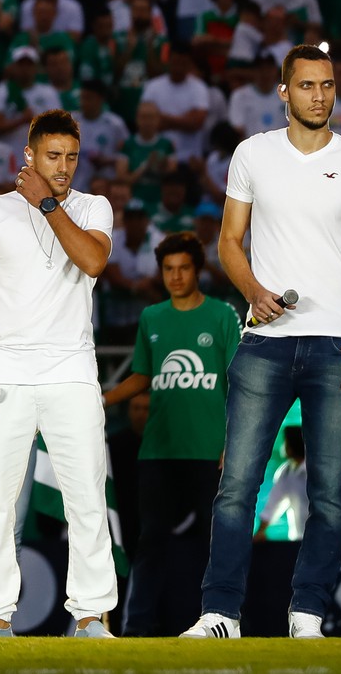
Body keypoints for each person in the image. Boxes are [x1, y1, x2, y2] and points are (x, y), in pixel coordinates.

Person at [182, 45, 341, 640]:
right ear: (283, 91)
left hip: (336, 345)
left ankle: (308, 615)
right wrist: (252, 289)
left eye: (327, 85)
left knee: (329, 494)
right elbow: (227, 241)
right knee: (237, 486)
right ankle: (220, 613)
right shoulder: (252, 154)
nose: (319, 96)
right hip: (264, 342)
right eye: (306, 86)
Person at [0, 109, 118, 638]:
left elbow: (93, 261)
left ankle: (92, 615)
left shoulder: (94, 207)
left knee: (88, 499)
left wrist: (47, 204)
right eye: (53, 156)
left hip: (71, 368)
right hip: (4, 368)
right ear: (28, 155)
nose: (64, 166)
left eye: (72, 157)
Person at [103, 232, 241, 636]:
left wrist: (233, 444)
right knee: (150, 543)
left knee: (214, 545)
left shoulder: (223, 315)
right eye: (168, 269)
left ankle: (220, 620)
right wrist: (102, 398)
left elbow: (239, 383)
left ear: (197, 270)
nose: (176, 276)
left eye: (183, 268)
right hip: (159, 451)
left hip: (209, 450)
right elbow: (143, 376)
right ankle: (136, 627)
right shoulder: (152, 317)